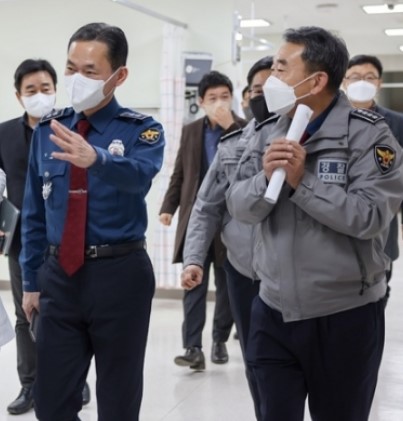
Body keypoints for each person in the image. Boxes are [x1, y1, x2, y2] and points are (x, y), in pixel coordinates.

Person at [225, 26, 403, 421]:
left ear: (317, 80)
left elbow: (370, 216)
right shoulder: (266, 131)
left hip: (344, 314)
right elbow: (238, 205)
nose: (271, 80)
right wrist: (264, 178)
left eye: (281, 69)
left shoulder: (368, 137)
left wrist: (301, 182)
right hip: (272, 310)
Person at [19, 23, 164, 421]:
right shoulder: (49, 129)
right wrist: (31, 281)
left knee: (118, 400)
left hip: (120, 274)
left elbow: (140, 177)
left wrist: (97, 159)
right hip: (59, 277)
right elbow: (33, 212)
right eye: (71, 68)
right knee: (51, 402)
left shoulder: (142, 130)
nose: (76, 79)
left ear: (119, 76)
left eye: (90, 71)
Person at [181, 56, 274, 420]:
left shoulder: (307, 136)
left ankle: (219, 338)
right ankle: (195, 346)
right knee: (256, 357)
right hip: (241, 260)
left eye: (273, 86)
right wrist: (192, 255)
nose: (264, 95)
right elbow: (203, 201)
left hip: (292, 271)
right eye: (257, 89)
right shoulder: (227, 141)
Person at [0, 59, 90, 415]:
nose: (39, 95)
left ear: (56, 89)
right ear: (18, 96)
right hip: (21, 242)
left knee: (69, 313)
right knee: (26, 314)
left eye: (45, 88)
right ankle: (30, 384)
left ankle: (76, 379)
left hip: (66, 239)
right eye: (31, 90)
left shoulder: (71, 129)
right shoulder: (4, 134)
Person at [159, 70, 245, 370]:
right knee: (192, 283)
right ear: (201, 101)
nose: (219, 103)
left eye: (225, 97)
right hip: (196, 221)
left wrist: (231, 126)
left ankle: (219, 339)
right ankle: (192, 347)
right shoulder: (191, 130)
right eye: (213, 98)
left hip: (231, 222)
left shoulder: (244, 129)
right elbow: (180, 173)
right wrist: (168, 207)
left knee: (226, 287)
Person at [342, 54, 403, 304]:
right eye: (355, 77)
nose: (362, 83)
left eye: (369, 77)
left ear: (379, 83)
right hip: (339, 214)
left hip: (382, 219)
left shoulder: (396, 123)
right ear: (344, 82)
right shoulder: (332, 120)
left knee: (379, 288)